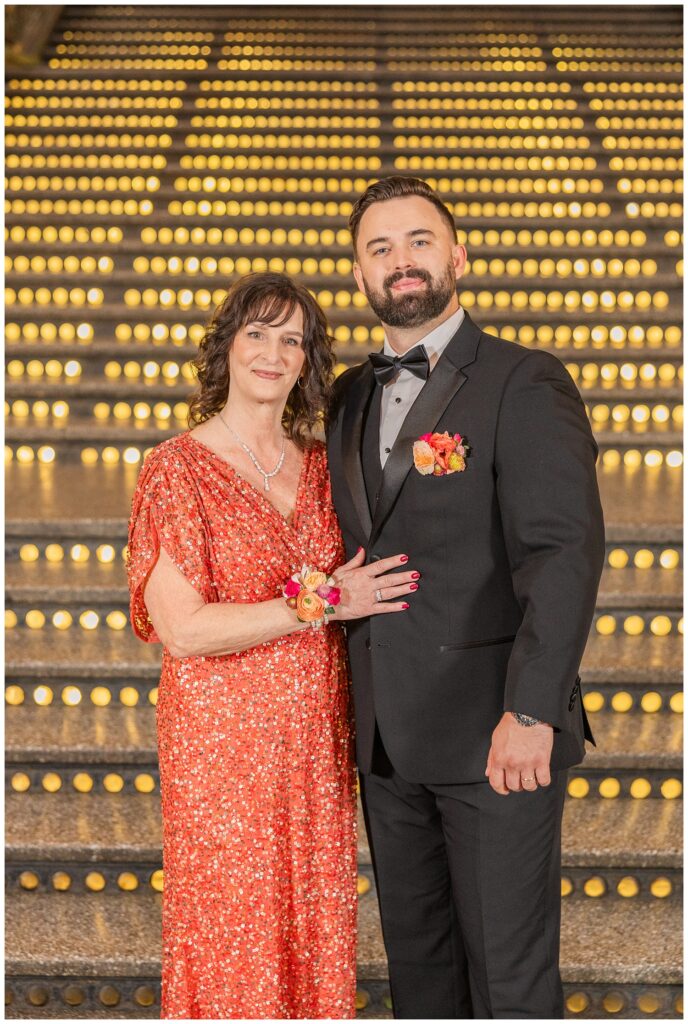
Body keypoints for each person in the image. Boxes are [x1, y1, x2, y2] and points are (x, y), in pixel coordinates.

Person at [326, 177, 606, 1019]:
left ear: (458, 256)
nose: (400, 262)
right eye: (379, 248)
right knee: (422, 982)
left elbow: (564, 553)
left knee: (510, 983)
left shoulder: (524, 381)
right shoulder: (346, 396)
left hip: (495, 737)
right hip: (385, 742)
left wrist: (532, 712)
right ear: (359, 274)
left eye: (418, 241)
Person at [126, 272, 419, 1019]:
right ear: (227, 347)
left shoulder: (325, 465)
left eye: (293, 340)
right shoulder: (174, 468)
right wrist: (320, 601)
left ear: (306, 363)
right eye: (258, 332)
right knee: (233, 929)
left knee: (313, 926)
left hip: (317, 741)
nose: (273, 351)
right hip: (223, 747)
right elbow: (184, 629)